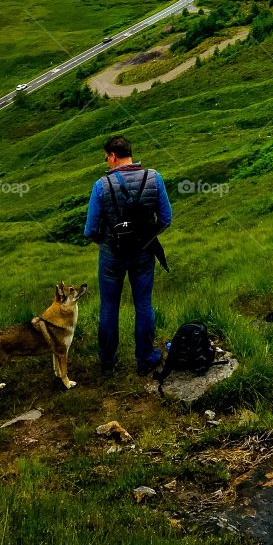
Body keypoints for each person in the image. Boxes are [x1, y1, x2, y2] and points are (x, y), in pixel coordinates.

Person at [83, 134, 172, 375]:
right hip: (143, 252)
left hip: (112, 254)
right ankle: (144, 359)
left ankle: (108, 363)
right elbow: (166, 218)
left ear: (113, 156)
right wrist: (147, 237)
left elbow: (90, 229)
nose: (106, 163)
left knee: (109, 307)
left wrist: (108, 243)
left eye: (106, 158)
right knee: (143, 304)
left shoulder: (101, 185)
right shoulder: (154, 178)